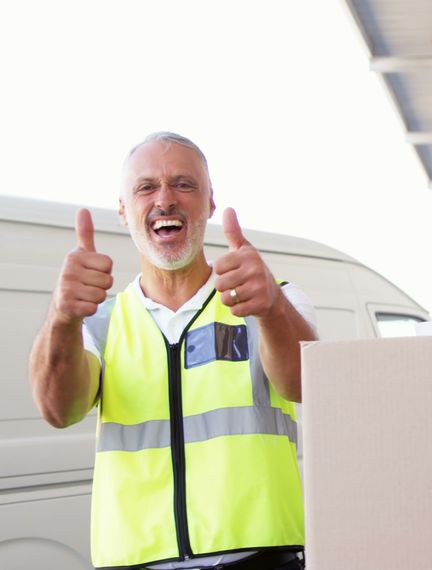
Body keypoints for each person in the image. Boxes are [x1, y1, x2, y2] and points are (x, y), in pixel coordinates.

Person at [28, 132, 317, 569]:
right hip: (136, 561)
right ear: (124, 210)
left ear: (209, 203)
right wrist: (62, 317)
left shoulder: (270, 299)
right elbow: (57, 409)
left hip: (261, 559)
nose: (165, 199)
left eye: (184, 184)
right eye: (146, 187)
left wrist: (273, 311)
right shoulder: (98, 322)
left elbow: (304, 385)